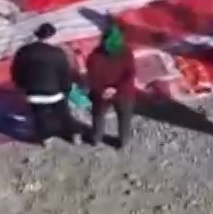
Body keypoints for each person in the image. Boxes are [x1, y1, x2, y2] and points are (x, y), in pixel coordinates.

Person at [11, 23, 76, 143]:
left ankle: (45, 138)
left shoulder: (24, 51)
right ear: (51, 37)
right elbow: (64, 74)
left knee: (40, 117)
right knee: (64, 116)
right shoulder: (58, 53)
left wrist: (21, 86)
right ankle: (70, 135)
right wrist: (66, 89)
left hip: (33, 93)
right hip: (55, 93)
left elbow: (16, 71)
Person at [84, 18, 137, 147]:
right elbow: (130, 74)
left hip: (101, 93)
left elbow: (92, 76)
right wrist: (116, 88)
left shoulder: (95, 55)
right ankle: (123, 142)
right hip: (124, 93)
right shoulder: (126, 52)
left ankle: (96, 138)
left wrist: (102, 89)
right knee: (124, 118)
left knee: (98, 116)